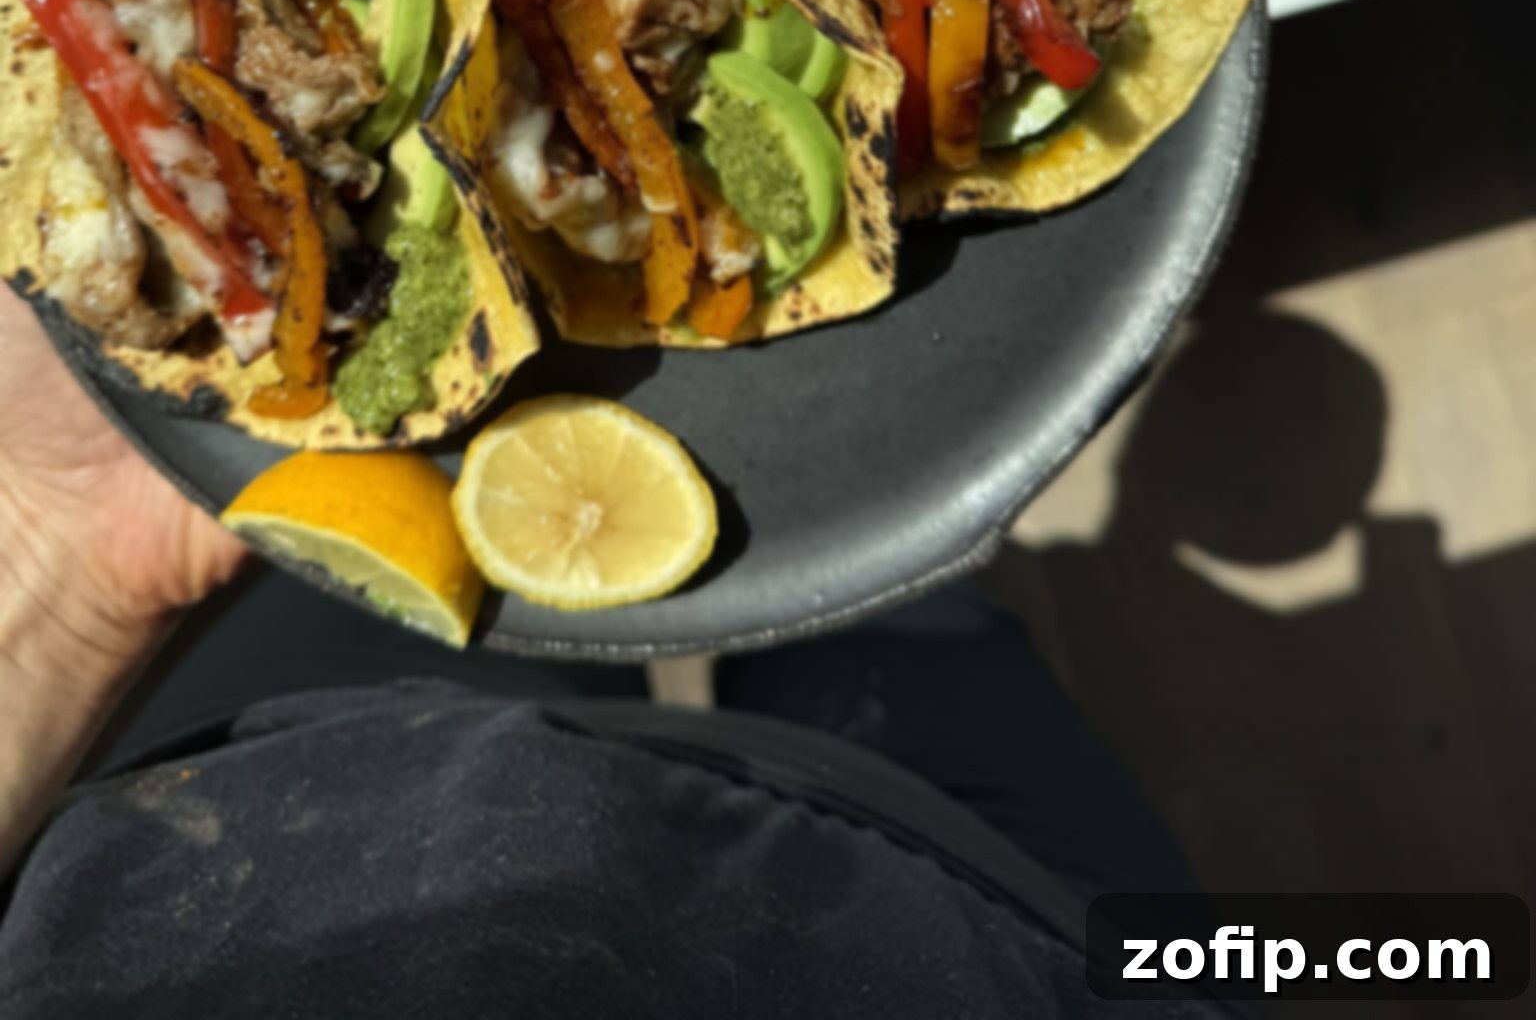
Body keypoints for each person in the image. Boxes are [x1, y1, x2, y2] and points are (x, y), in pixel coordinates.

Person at [0, 289, 1223, 1019]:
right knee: (907, 582)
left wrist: (57, 563)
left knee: (812, 515)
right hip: (1013, 938)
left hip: (297, 787)